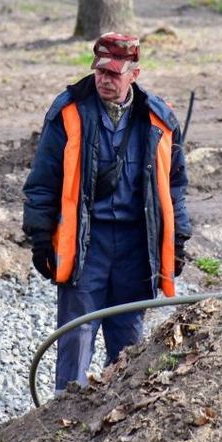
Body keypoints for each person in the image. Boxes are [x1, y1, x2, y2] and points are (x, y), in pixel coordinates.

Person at [23, 32, 192, 392]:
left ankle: (121, 413)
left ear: (135, 73)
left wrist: (178, 239)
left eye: (114, 73)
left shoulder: (159, 119)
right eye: (100, 71)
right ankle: (61, 417)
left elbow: (175, 185)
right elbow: (42, 182)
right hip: (87, 244)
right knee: (76, 332)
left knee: (128, 334)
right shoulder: (68, 112)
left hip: (136, 247)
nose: (104, 80)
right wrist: (40, 239)